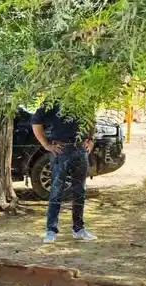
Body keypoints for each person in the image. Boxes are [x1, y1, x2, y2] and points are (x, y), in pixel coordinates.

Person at [31, 103, 97, 244]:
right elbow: (35, 121)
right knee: (56, 191)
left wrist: (91, 140)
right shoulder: (54, 100)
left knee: (80, 191)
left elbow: (91, 121)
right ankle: (51, 230)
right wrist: (46, 144)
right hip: (61, 150)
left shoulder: (86, 98)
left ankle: (79, 229)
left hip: (80, 150)